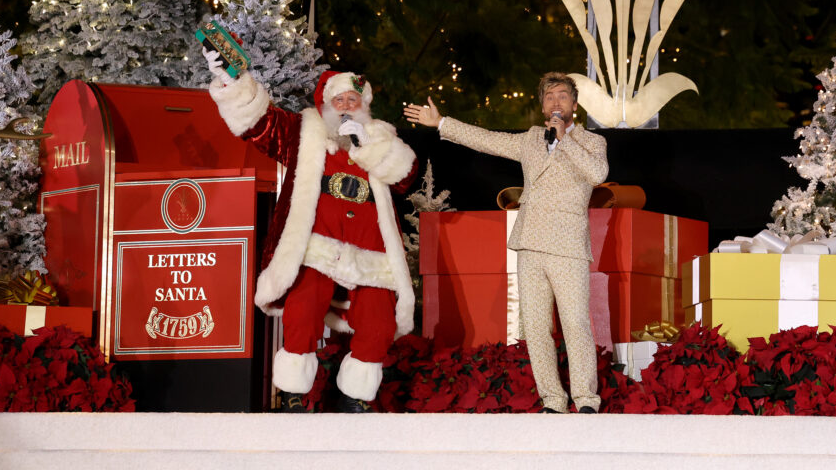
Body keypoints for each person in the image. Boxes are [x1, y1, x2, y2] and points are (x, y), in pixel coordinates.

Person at [204, 50, 417, 412]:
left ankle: (354, 401)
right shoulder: (305, 132)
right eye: (340, 99)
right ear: (327, 105)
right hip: (317, 245)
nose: (347, 105)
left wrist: (368, 144)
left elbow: (405, 178)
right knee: (302, 312)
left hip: (371, 253)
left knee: (379, 324)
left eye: (354, 99)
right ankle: (292, 396)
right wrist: (233, 81)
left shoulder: (381, 139)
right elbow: (260, 124)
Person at [404, 72, 608, 413]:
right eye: (549, 97)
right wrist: (441, 123)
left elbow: (598, 175)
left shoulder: (591, 141)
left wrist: (564, 140)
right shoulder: (530, 139)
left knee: (575, 323)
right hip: (530, 241)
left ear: (574, 104)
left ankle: (586, 399)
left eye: (562, 96)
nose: (556, 102)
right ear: (542, 106)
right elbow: (486, 139)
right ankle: (553, 400)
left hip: (568, 243)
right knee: (537, 327)